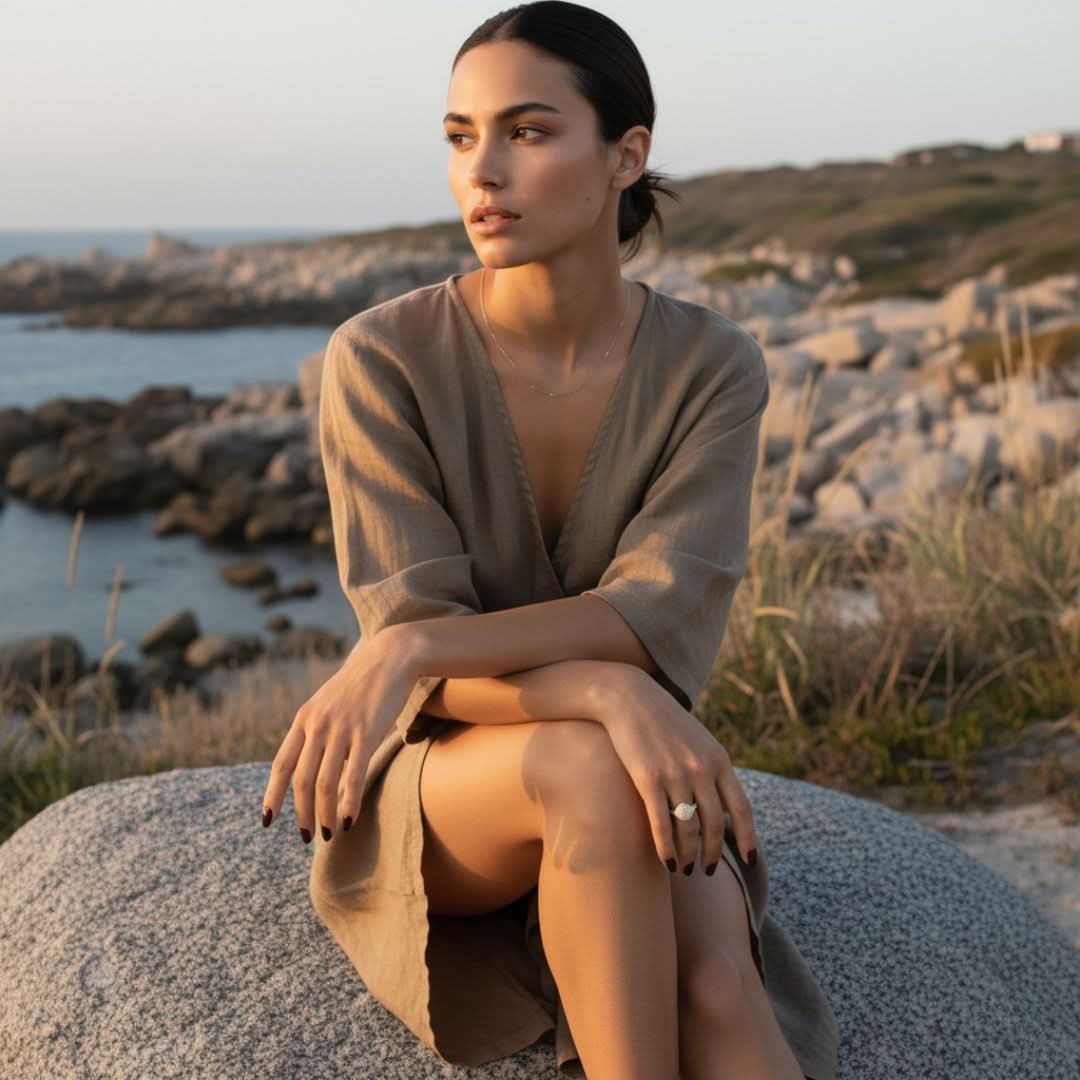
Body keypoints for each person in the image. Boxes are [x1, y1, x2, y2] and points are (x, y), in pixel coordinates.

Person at [260, 3, 838, 1078]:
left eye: (526, 132)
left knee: (721, 987)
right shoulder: (382, 358)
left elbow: (656, 625)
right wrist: (607, 692)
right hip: (448, 790)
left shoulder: (713, 367)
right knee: (580, 758)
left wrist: (416, 645)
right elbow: (426, 687)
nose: (482, 172)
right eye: (459, 136)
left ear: (626, 156)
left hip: (638, 772)